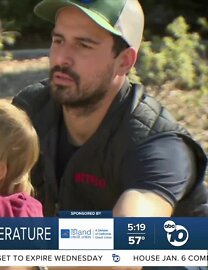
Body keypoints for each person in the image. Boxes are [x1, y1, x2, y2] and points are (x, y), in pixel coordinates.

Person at [12, 0, 208, 217]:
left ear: (124, 61)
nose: (61, 58)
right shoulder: (31, 110)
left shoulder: (157, 144)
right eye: (58, 40)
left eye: (83, 45)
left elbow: (132, 233)